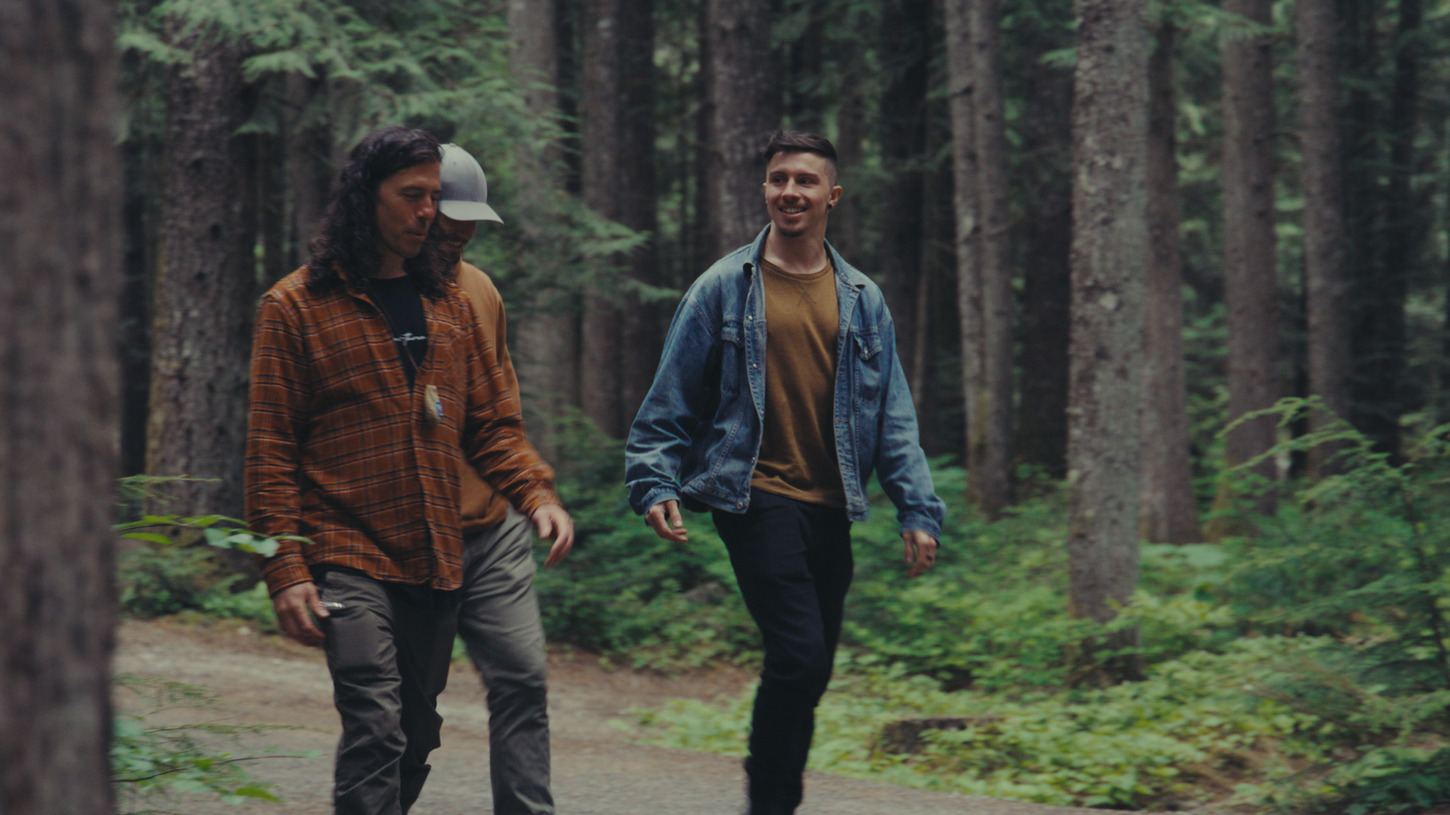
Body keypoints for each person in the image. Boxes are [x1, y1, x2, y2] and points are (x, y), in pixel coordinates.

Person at [244, 126, 571, 815]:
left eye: (434, 197)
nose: (429, 212)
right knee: (375, 723)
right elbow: (270, 449)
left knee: (414, 731)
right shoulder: (293, 307)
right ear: (368, 198)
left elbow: (488, 421)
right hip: (350, 548)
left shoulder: (452, 301)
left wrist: (535, 493)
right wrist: (287, 567)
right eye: (413, 196)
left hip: (436, 556)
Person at [625, 130, 946, 815]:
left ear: (832, 195)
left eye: (804, 180)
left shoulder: (863, 297)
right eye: (777, 179)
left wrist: (917, 509)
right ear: (765, 189)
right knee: (799, 657)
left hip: (832, 502)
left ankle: (772, 799)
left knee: (812, 667)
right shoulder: (722, 287)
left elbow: (893, 415)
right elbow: (671, 398)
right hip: (755, 491)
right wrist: (653, 481)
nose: (789, 191)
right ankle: (768, 805)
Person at [433, 142, 567, 815]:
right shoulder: (357, 296)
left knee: (522, 679)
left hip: (492, 531)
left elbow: (497, 415)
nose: (456, 239)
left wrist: (533, 494)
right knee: (397, 716)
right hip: (407, 544)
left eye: (466, 228)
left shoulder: (481, 290)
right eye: (445, 224)